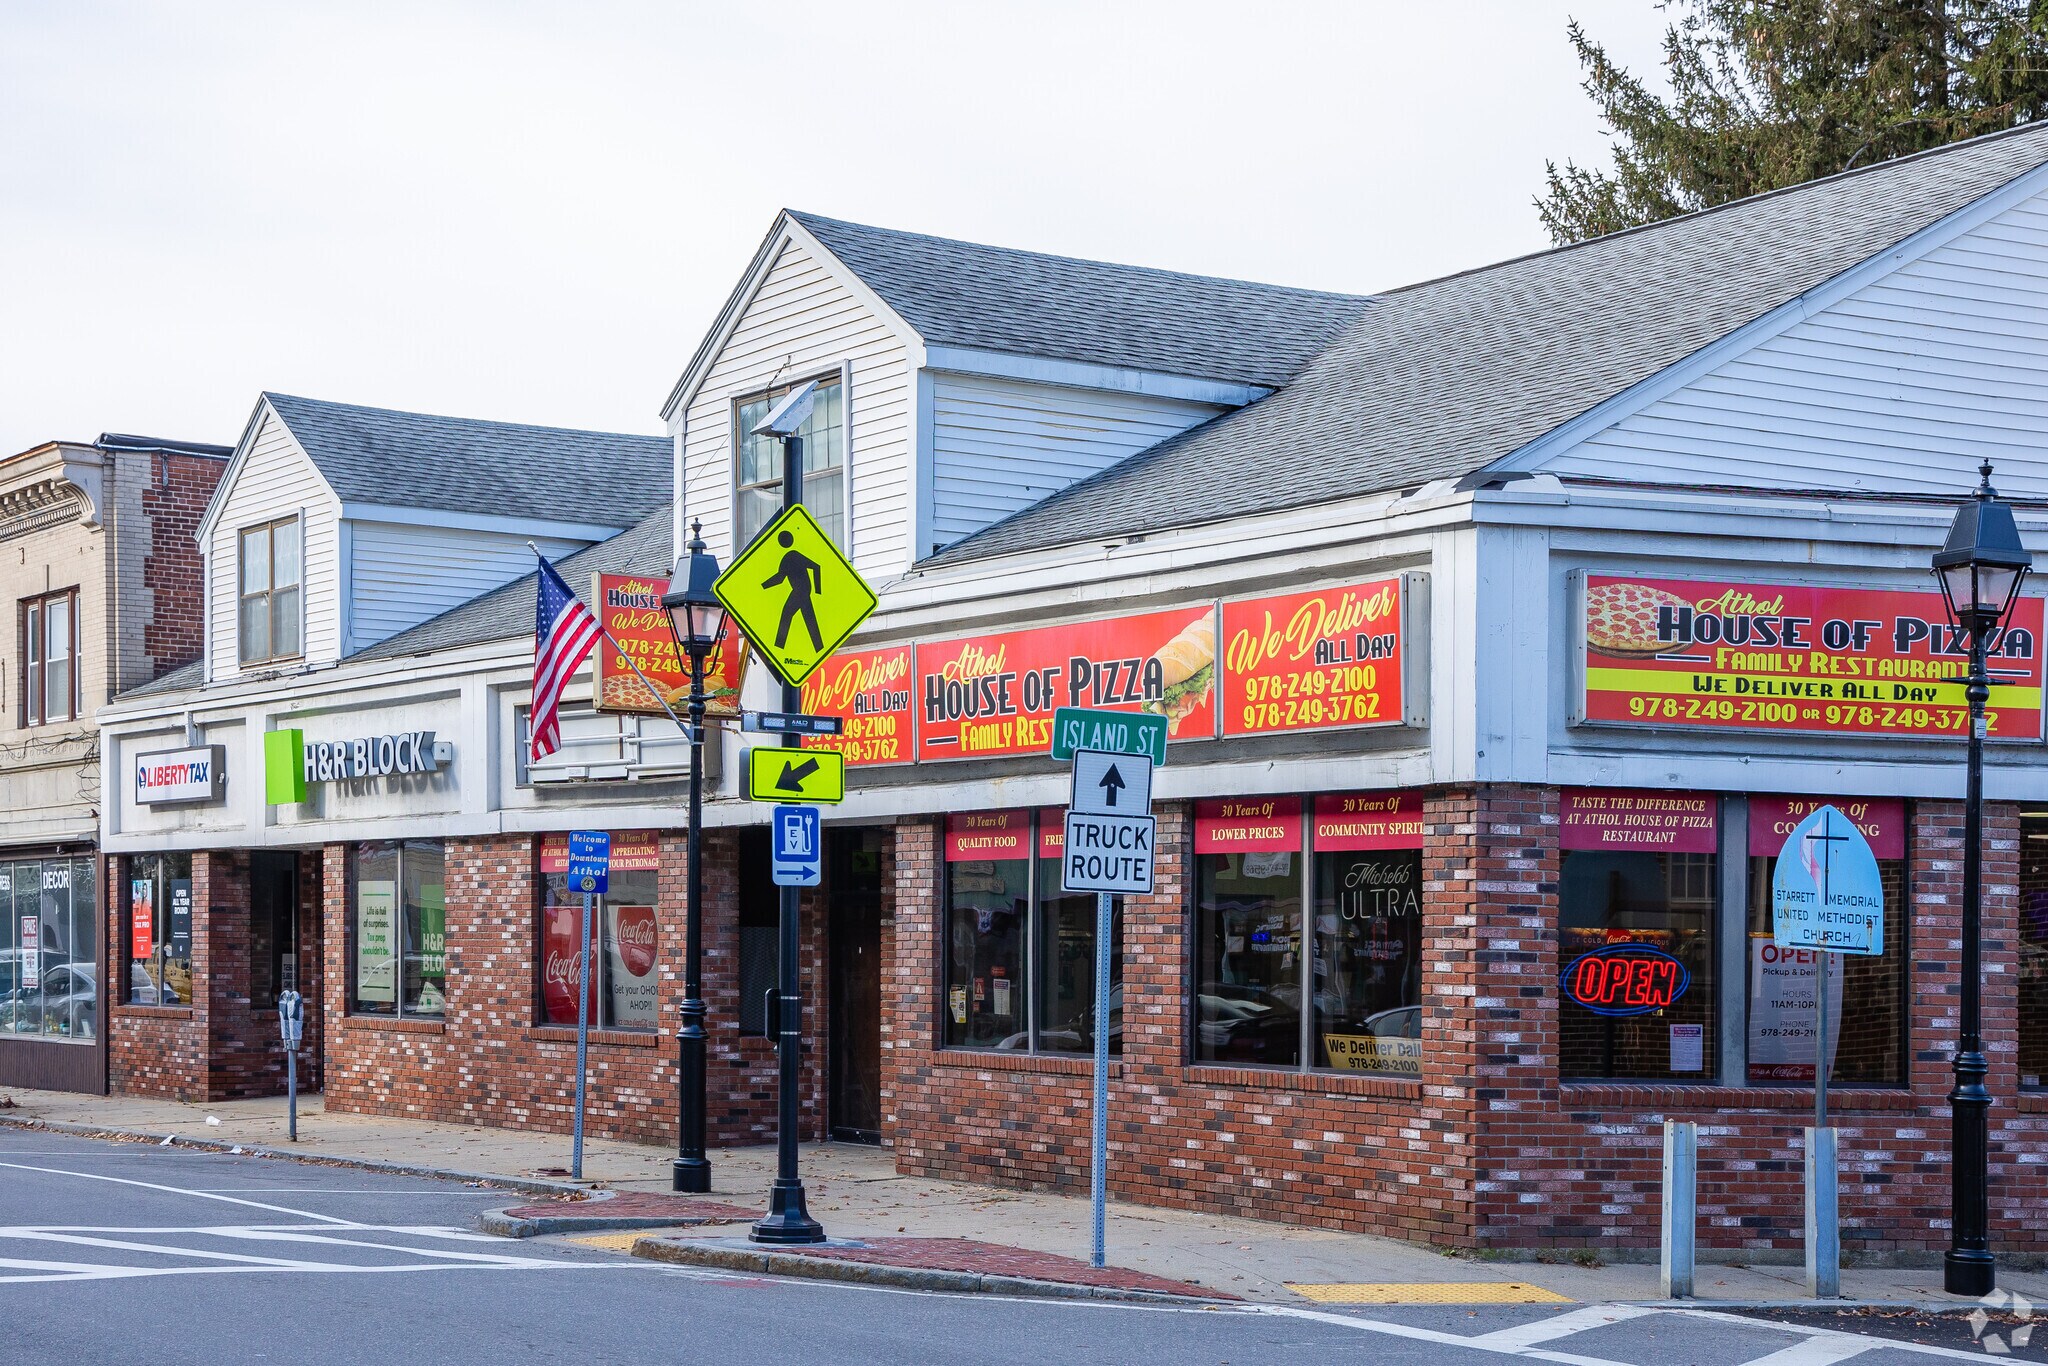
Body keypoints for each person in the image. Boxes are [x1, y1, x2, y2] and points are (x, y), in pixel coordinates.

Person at [762, 530, 823, 653]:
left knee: (787, 614)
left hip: (801, 591)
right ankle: (819, 647)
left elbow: (816, 567)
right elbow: (780, 579)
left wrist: (818, 590)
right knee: (809, 619)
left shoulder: (792, 556)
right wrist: (763, 586)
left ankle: (779, 647)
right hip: (802, 591)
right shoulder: (789, 557)